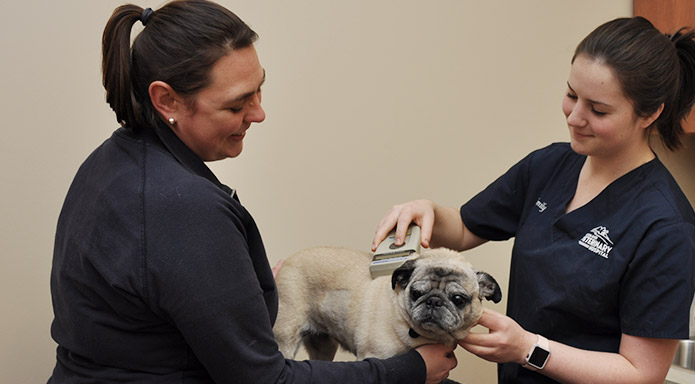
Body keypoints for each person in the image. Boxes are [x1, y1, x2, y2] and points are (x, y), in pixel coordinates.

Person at [48, 1, 456, 383]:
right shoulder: (184, 209)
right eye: (237, 104)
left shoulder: (111, 159)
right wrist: (407, 370)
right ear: (166, 99)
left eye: (259, 89)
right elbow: (265, 379)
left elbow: (158, 295)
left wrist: (242, 285)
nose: (259, 113)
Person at [372, 17, 695, 384]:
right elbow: (467, 226)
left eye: (598, 110)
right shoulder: (549, 165)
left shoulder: (667, 227)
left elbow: (641, 374)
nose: (575, 117)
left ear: (651, 113)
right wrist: (428, 212)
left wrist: (529, 350)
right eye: (571, 95)